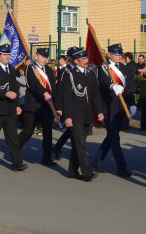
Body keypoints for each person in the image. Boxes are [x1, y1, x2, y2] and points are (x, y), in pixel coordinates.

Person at [56, 47, 103, 181]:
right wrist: (68, 116)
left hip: (87, 114)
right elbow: (66, 97)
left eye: (87, 58)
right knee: (80, 144)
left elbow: (96, 96)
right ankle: (87, 172)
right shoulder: (69, 75)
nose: (86, 60)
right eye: (83, 59)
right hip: (75, 114)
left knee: (79, 143)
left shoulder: (91, 74)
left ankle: (72, 170)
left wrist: (99, 111)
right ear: (76, 61)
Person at [92, 43, 135, 177]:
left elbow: (130, 86)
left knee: (112, 136)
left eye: (120, 54)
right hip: (109, 107)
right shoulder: (104, 67)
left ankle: (97, 160)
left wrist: (132, 104)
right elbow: (103, 81)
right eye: (116, 54)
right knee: (114, 137)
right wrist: (112, 86)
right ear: (109, 54)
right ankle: (121, 167)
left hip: (121, 107)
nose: (119, 56)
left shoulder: (123, 67)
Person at [22, 48, 58, 167]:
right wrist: (44, 92)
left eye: (46, 57)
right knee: (28, 131)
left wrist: (57, 104)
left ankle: (46, 158)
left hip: (47, 106)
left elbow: (53, 86)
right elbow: (33, 84)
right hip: (33, 105)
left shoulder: (48, 69)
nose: (44, 59)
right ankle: (15, 148)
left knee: (48, 133)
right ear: (36, 56)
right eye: (42, 56)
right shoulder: (30, 68)